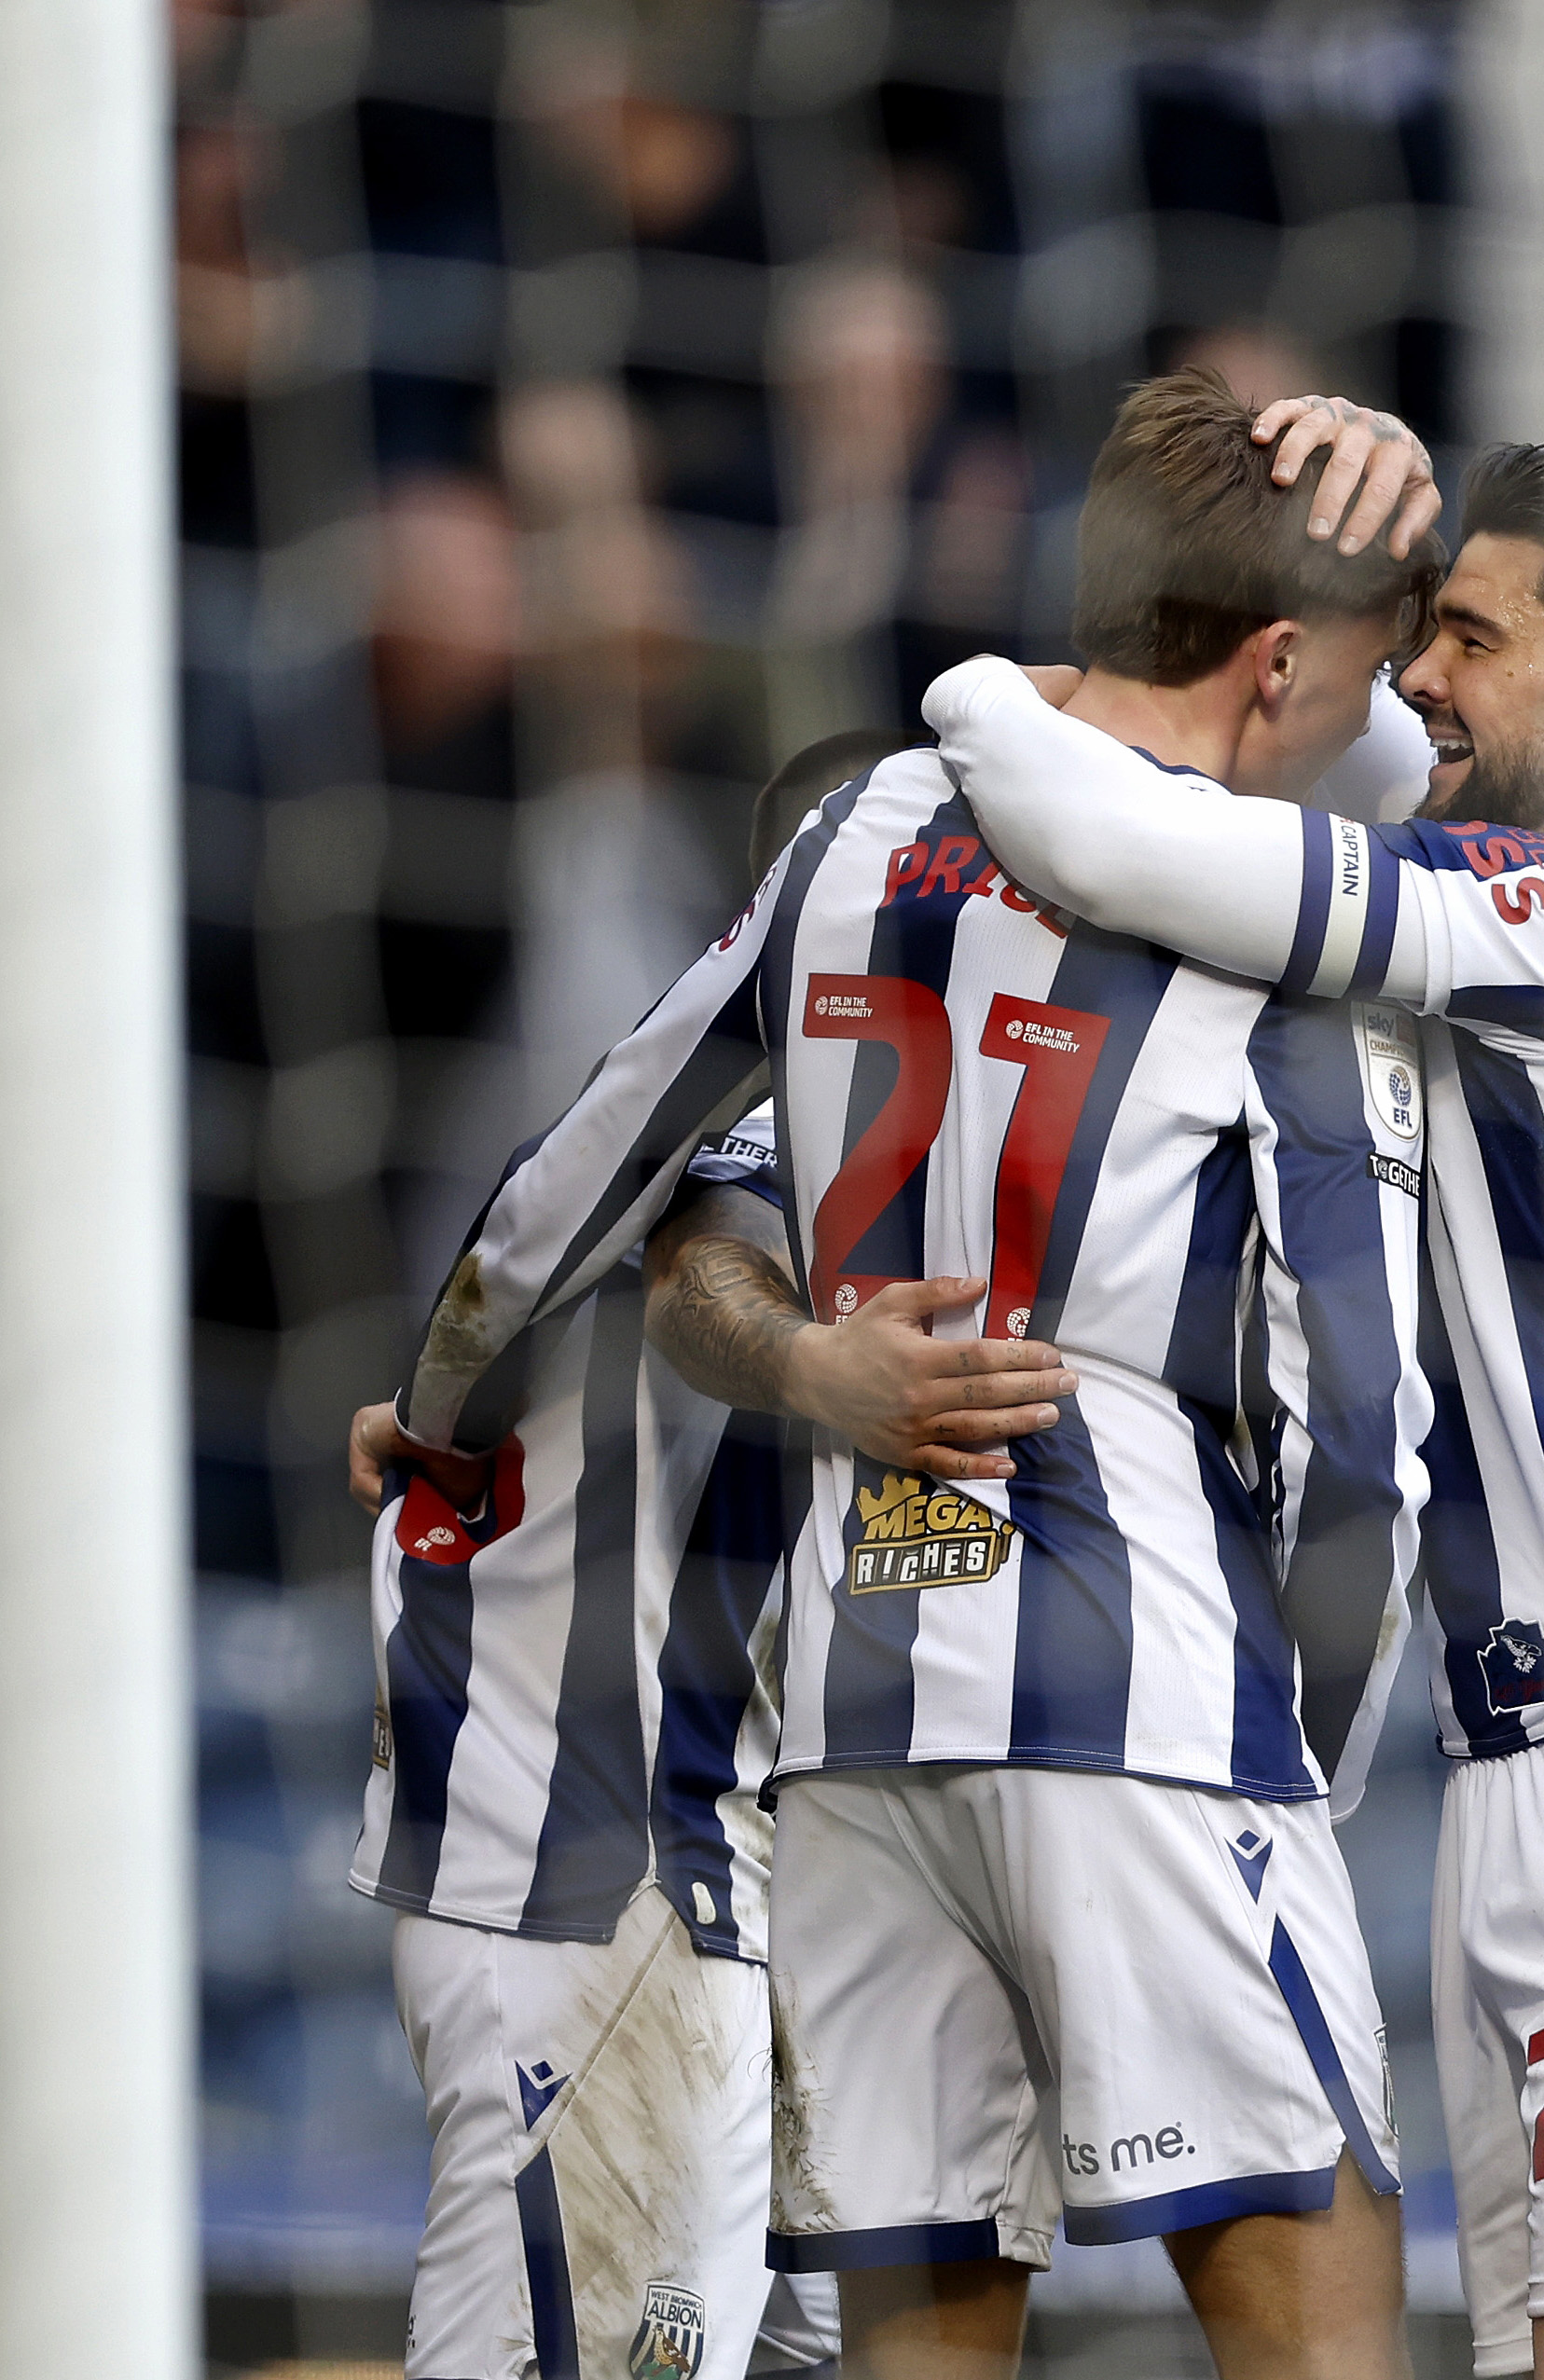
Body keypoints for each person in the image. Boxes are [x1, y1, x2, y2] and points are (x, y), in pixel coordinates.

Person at [373, 371, 1442, 2380]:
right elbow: (1354, 1409)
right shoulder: (1269, 907)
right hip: (1147, 1689)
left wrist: (443, 1404)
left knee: (916, 2344)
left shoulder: (858, 823)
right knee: (1323, 2312)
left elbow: (593, 1165)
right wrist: (1306, 1732)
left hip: (855, 1718)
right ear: (1287, 658)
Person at [920, 431, 1544, 2380]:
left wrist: (968, 690)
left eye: (1469, 633)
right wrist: (1372, 470)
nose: (1421, 677)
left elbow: (1122, 828)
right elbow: (1297, 746)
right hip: (1531, 1770)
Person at [340, 728, 1068, 2380]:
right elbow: (660, 1263)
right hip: (602, 1887)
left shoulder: (886, 1139)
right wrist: (447, 1400)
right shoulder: (753, 1115)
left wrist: (435, 1403)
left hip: (744, 1906)